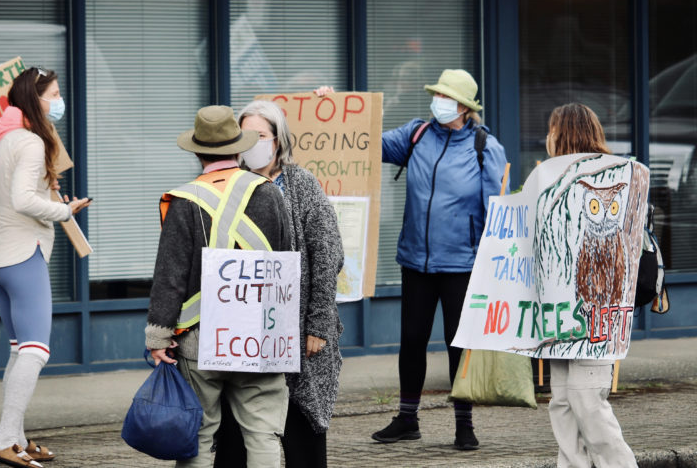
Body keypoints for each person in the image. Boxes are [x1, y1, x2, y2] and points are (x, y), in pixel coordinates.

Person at [350, 69, 509, 449]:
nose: (436, 100)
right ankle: (407, 419)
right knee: (412, 341)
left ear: (463, 106)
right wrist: (336, 107)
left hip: (462, 266)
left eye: (444, 95)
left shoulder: (485, 147)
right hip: (416, 262)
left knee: (459, 346)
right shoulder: (416, 134)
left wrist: (493, 266)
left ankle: (464, 424)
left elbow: (497, 211)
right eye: (436, 93)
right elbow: (364, 142)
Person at [145, 105, 292, 468]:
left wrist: (158, 338)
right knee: (263, 434)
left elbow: (169, 275)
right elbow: (286, 262)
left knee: (197, 436)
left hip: (199, 338)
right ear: (239, 149)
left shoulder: (182, 201)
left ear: (197, 152)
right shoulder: (270, 194)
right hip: (259, 334)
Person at [213, 99, 345, 468]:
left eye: (260, 135)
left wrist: (318, 324)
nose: (252, 143)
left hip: (299, 333)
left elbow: (328, 255)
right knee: (236, 439)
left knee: (302, 433)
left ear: (279, 139)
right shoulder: (229, 184)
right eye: (245, 135)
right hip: (243, 336)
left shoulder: (301, 184)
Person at [0, 67, 91, 468]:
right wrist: (63, 209)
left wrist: (47, 197)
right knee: (36, 350)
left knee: (19, 350)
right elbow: (24, 200)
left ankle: (19, 438)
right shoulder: (28, 142)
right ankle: (5, 439)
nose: (59, 101)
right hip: (22, 254)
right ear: (37, 98)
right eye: (55, 94)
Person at [543, 102, 638, 468]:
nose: (546, 138)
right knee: (563, 403)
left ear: (562, 134)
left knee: (587, 401)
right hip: (559, 315)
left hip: (598, 314)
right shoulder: (549, 182)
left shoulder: (617, 177)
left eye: (552, 130)